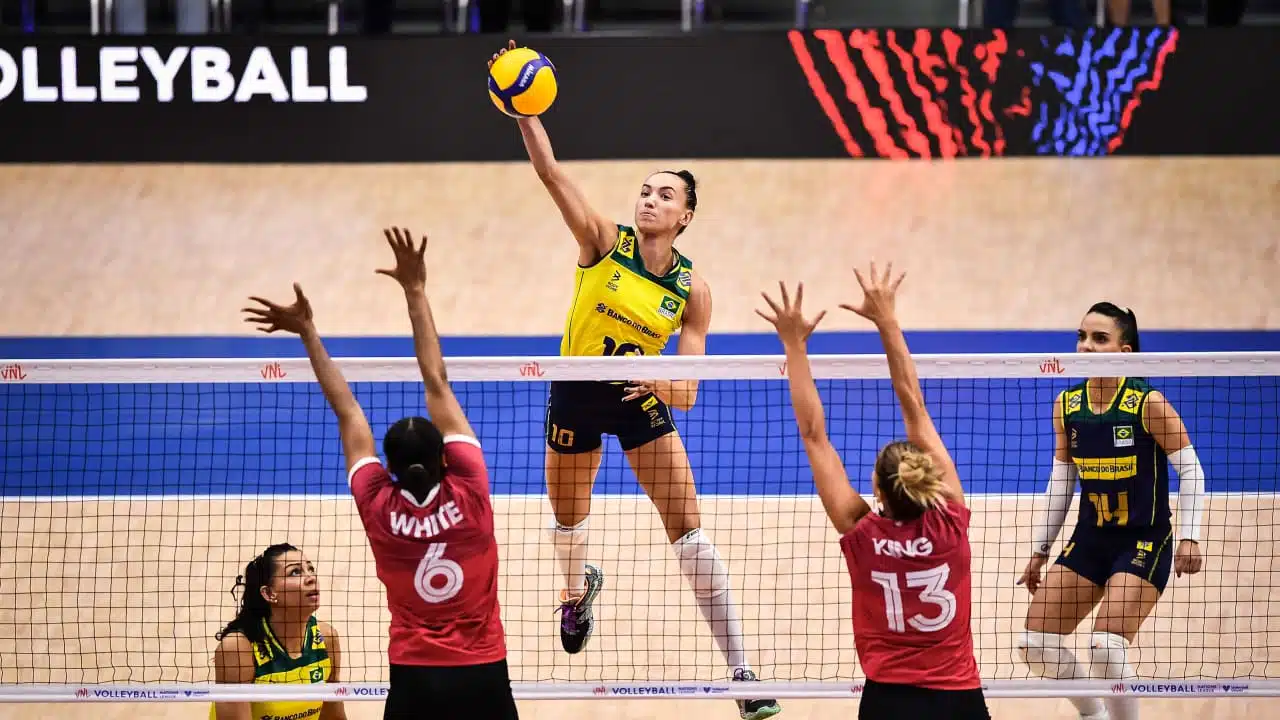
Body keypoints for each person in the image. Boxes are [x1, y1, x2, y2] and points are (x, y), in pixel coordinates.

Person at [487, 39, 781, 720]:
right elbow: (553, 175)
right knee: (568, 523)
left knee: (691, 536)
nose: (651, 199)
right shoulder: (601, 242)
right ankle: (575, 591)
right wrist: (521, 109)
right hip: (575, 394)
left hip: (640, 401)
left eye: (666, 194)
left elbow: (688, 389)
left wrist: (646, 375)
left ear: (685, 216)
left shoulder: (692, 290)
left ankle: (741, 674)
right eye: (645, 190)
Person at [241, 227, 518, 720]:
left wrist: (308, 332)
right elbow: (436, 379)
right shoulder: (471, 484)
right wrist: (416, 290)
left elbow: (348, 412)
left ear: (387, 468)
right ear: (447, 458)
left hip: (414, 674)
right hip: (483, 670)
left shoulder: (377, 503)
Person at [757, 265, 990, 720]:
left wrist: (794, 346)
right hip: (959, 698)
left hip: (888, 700)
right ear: (927, 479)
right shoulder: (951, 521)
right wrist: (887, 320)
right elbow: (915, 407)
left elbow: (813, 435)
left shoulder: (862, 533)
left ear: (877, 490)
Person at [1016, 302, 1206, 720]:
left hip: (1142, 540)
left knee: (1105, 647)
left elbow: (1191, 470)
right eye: (1081, 336)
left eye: (1099, 339)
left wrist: (1189, 535)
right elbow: (1063, 480)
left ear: (1126, 349)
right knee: (1035, 645)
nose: (1085, 346)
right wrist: (1040, 549)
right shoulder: (1067, 405)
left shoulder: (1146, 403)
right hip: (1090, 539)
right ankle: (1094, 715)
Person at [211, 543, 348, 720]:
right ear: (269, 593)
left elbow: (333, 716)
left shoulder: (326, 637)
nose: (311, 578)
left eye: (310, 569)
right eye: (295, 572)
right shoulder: (238, 648)